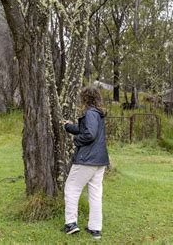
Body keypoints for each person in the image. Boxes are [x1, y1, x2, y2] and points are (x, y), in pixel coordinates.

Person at [62, 86, 110, 240]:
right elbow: (87, 130)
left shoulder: (90, 113)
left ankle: (71, 224)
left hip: (86, 159)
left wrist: (76, 140)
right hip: (99, 160)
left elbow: (89, 134)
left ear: (85, 98)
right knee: (95, 194)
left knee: (72, 188)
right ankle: (95, 229)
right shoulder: (98, 113)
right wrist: (68, 127)